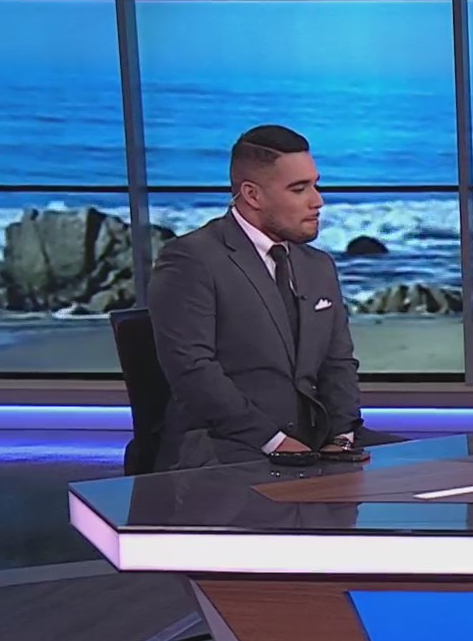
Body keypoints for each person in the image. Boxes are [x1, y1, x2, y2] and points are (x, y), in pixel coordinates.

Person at [147, 125, 362, 469]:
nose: (317, 201)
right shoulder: (191, 260)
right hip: (227, 445)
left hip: (318, 440)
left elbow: (338, 363)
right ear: (252, 195)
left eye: (315, 185)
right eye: (299, 189)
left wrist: (341, 436)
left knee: (429, 469)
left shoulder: (318, 265)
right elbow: (193, 370)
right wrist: (276, 442)